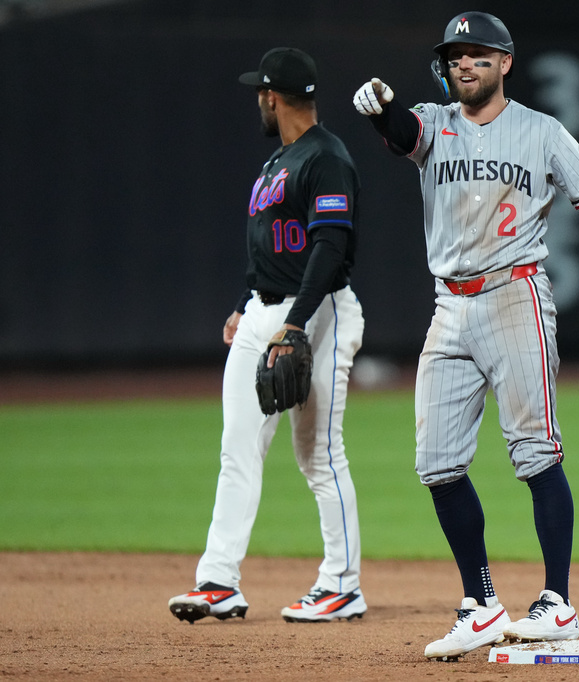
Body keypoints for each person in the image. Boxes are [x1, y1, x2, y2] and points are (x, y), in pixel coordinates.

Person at [352, 11, 579, 659]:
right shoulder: (432, 121)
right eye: (455, 54)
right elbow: (401, 133)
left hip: (515, 297)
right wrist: (381, 111)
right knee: (437, 464)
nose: (465, 63)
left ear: (505, 63)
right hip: (449, 307)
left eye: (478, 54)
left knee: (535, 451)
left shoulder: (541, 132)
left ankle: (557, 602)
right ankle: (480, 603)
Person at [169, 47, 367, 624]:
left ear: (273, 97)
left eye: (260, 91)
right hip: (264, 313)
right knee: (238, 450)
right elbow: (268, 248)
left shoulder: (326, 158)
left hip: (319, 312)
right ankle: (218, 581)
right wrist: (243, 305)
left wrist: (296, 322)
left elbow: (330, 246)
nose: (257, 98)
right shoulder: (275, 164)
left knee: (318, 454)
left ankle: (342, 583)